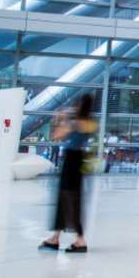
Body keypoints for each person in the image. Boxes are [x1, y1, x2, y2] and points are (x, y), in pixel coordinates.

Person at [39, 94, 96, 254]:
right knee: (72, 200)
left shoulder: (74, 123)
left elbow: (56, 136)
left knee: (65, 199)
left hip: (70, 162)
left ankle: (77, 240)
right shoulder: (90, 123)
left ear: (80, 106)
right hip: (79, 162)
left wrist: (60, 119)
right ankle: (57, 237)